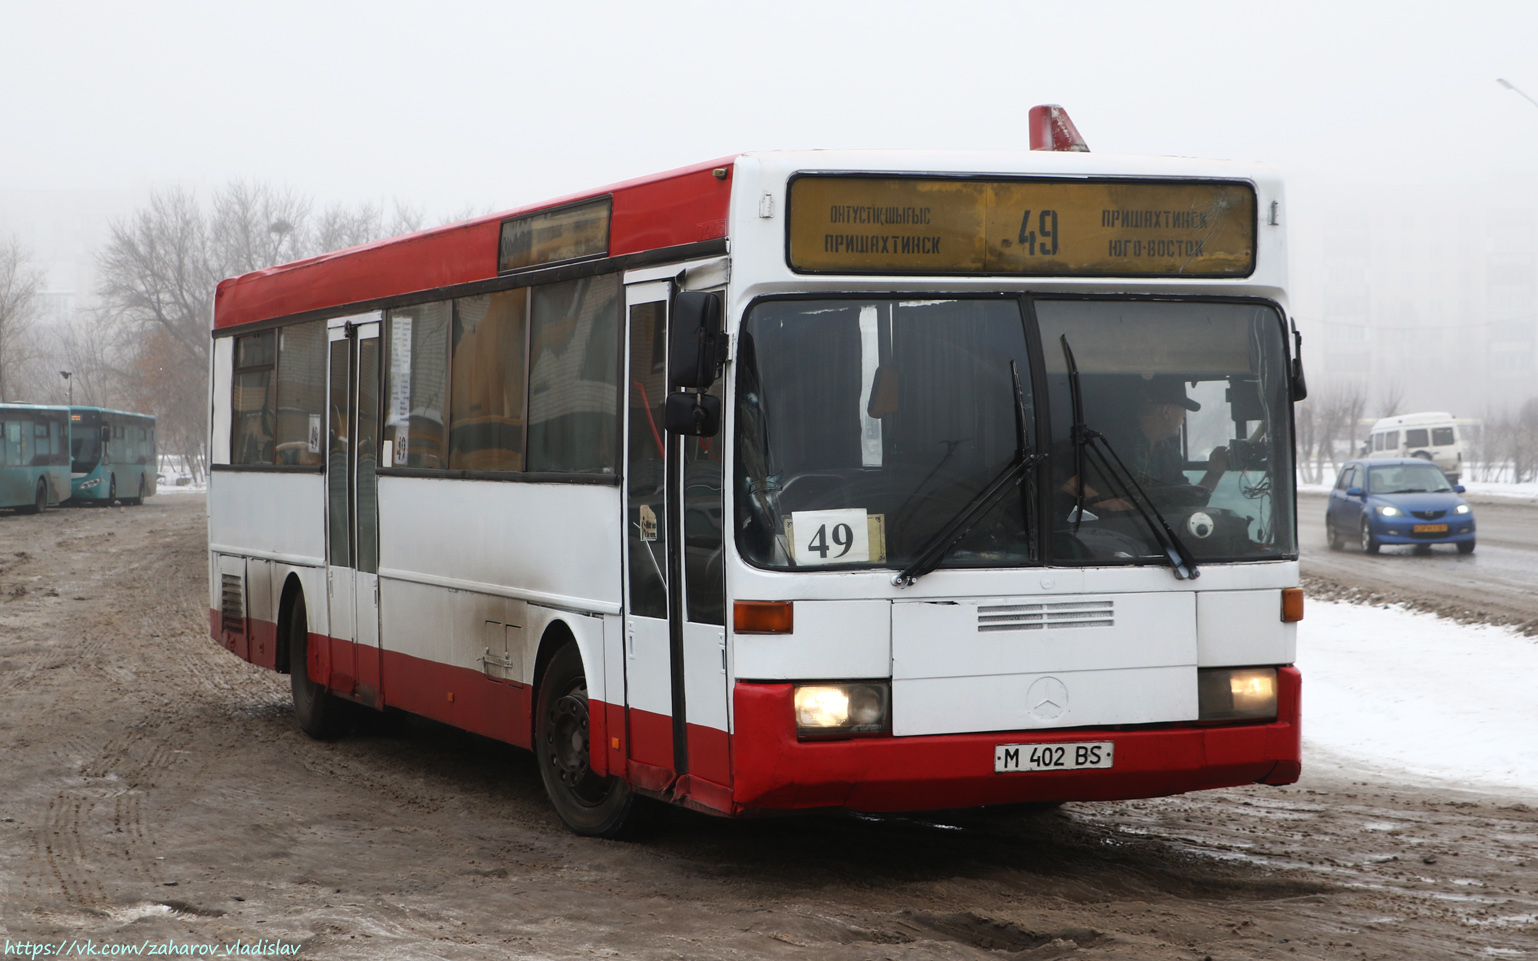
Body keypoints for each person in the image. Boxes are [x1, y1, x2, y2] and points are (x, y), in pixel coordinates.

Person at [1067, 376, 1227, 512]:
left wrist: (1214, 474)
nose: (1184, 416)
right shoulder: (1106, 441)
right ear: (1167, 411)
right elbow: (1060, 476)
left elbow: (1186, 501)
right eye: (1182, 409)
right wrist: (1103, 502)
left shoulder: (1170, 455)